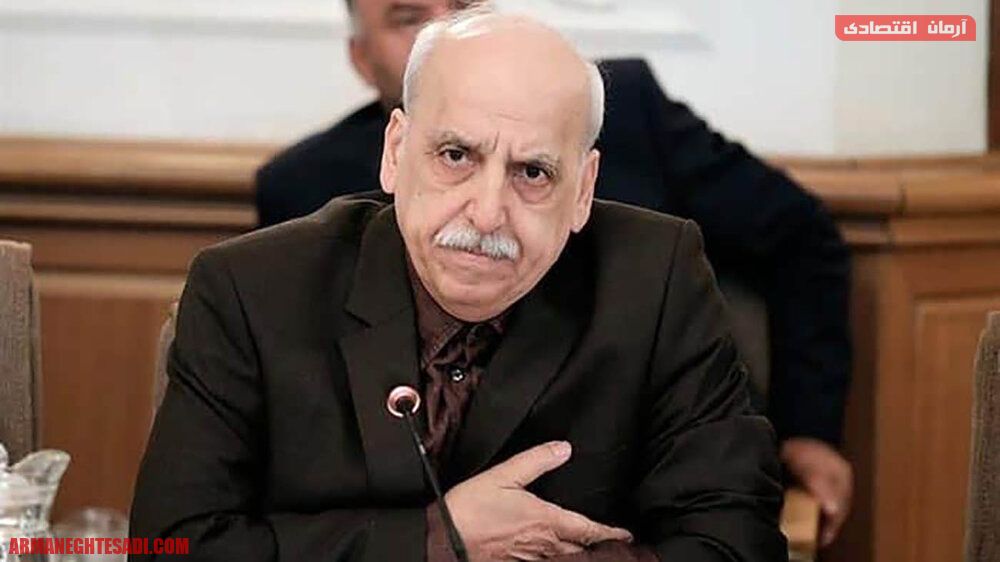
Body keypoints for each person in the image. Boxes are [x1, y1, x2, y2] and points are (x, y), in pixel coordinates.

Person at [131, 10, 786, 561]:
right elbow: (170, 547)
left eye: (533, 173)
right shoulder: (250, 290)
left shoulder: (656, 279)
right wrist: (435, 541)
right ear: (396, 151)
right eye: (456, 156)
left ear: (584, 189)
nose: (487, 212)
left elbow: (740, 543)